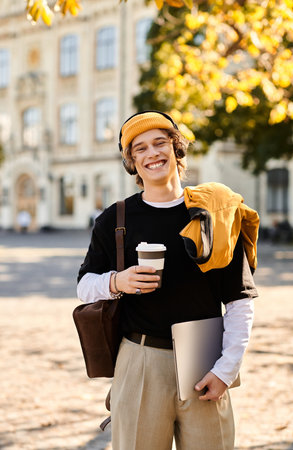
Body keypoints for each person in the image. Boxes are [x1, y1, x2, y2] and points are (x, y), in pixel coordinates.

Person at [77, 111, 259, 450]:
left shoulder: (214, 213)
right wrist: (119, 281)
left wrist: (226, 370)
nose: (152, 154)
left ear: (177, 148)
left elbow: (239, 300)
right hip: (140, 358)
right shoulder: (115, 219)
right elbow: (84, 285)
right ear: (131, 162)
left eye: (160, 143)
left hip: (205, 356)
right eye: (140, 148)